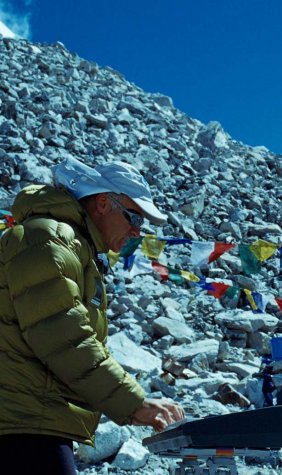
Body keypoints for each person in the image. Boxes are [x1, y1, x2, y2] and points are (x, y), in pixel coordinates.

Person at [0, 157, 184, 474]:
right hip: (21, 421)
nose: (137, 232)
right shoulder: (48, 238)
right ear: (102, 202)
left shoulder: (75, 246)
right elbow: (64, 337)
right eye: (134, 218)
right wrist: (134, 404)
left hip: (32, 415)